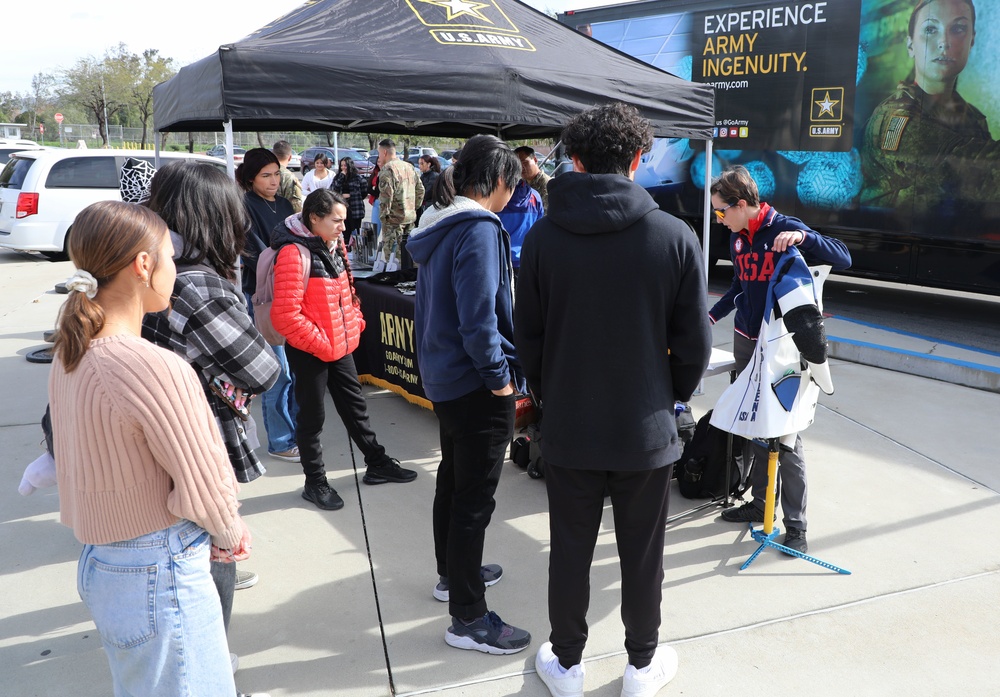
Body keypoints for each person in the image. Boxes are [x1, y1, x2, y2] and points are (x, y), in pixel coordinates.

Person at [514, 103, 712, 697]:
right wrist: (668, 396)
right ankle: (640, 666)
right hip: (644, 424)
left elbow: (529, 338)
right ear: (637, 158)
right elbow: (696, 343)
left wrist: (552, 394)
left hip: (571, 423)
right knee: (642, 552)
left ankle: (568, 666)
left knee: (569, 549)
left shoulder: (544, 237)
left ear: (574, 160)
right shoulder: (674, 235)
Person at [50, 200, 249, 696]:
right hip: (160, 564)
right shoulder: (150, 365)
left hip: (104, 561)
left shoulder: (72, 351)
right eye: (170, 256)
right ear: (144, 265)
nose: (175, 267)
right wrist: (229, 531)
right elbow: (206, 484)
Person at [139, 159, 280, 691]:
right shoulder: (197, 285)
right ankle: (211, 657)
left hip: (150, 440)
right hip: (197, 441)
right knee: (210, 539)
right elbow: (262, 370)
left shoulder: (142, 268)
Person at [407, 135, 530, 656]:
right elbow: (480, 318)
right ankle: (469, 616)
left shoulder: (439, 223)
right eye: (513, 185)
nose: (513, 195)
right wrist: (501, 379)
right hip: (477, 382)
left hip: (446, 376)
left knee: (453, 483)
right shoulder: (478, 229)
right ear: (499, 181)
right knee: (472, 500)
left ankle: (451, 576)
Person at [709, 165, 852, 554]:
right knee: (756, 425)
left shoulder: (784, 229)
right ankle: (760, 505)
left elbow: (844, 257)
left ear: (742, 205)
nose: (718, 220)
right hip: (746, 345)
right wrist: (709, 316)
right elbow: (739, 287)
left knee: (786, 436)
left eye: (721, 212)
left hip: (782, 353)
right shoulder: (738, 239)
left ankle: (796, 526)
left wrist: (804, 237)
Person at [270, 189, 417, 511]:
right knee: (311, 419)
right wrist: (322, 344)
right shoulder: (294, 254)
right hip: (313, 349)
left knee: (356, 408)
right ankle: (315, 482)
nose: (343, 226)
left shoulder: (333, 245)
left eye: (344, 220)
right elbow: (284, 315)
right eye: (336, 220)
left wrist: (355, 324)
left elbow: (348, 291)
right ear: (314, 219)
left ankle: (377, 463)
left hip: (338, 345)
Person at [862, 0, 994, 212]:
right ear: (910, 45)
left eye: (958, 28)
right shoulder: (896, 119)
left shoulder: (972, 117)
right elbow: (983, 176)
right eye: (931, 29)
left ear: (972, 40)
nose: (944, 41)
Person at [237, 148, 301, 464]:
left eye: (276, 173)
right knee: (279, 373)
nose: (274, 180)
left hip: (294, 296)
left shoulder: (286, 204)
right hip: (264, 300)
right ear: (251, 178)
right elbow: (256, 255)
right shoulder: (243, 207)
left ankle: (297, 433)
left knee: (297, 371)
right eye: (266, 175)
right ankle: (279, 440)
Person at [377, 138, 424, 264]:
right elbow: (420, 190)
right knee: (410, 256)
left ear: (385, 152)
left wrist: (384, 217)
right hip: (410, 218)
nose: (379, 156)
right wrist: (413, 207)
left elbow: (386, 197)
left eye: (379, 153)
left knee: (394, 260)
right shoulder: (409, 167)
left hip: (393, 221)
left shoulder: (387, 170)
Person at [496, 178, 544, 284]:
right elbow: (540, 232)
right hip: (526, 261)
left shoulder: (497, 197)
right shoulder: (535, 197)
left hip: (500, 261)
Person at [333, 156, 366, 247]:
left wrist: (351, 195)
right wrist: (341, 177)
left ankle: (357, 250)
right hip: (342, 207)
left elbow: (363, 192)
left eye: (345, 165)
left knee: (355, 231)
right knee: (345, 231)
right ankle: (347, 249)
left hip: (355, 208)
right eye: (342, 165)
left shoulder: (358, 178)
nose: (343, 167)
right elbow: (333, 190)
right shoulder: (338, 178)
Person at [272, 140, 303, 213]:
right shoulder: (289, 177)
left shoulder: (263, 173)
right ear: (290, 157)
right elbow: (296, 207)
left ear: (273, 155)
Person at [417, 154, 441, 222]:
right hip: (423, 205)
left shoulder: (434, 176)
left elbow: (427, 192)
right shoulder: (423, 176)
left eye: (422, 163)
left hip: (430, 206)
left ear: (428, 164)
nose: (419, 166)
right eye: (419, 164)